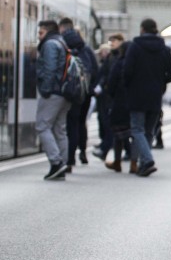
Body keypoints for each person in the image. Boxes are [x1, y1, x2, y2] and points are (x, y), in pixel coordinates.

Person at [122, 18, 171, 177]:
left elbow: (127, 71)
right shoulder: (164, 49)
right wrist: (160, 81)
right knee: (148, 131)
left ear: (142, 29)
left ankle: (146, 160)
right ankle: (143, 164)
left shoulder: (135, 47)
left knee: (137, 129)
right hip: (155, 96)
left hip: (137, 95)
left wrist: (129, 85)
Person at [59, 17, 99, 171]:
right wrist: (90, 89)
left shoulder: (63, 44)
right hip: (84, 93)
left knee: (69, 124)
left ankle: (68, 159)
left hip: (69, 91)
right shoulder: (86, 48)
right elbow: (94, 70)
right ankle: (82, 152)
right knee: (80, 123)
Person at [35, 20, 72, 180]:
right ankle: (63, 165)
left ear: (47, 31)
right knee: (60, 130)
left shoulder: (50, 44)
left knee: (42, 126)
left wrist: (45, 89)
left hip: (54, 92)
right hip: (64, 92)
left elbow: (49, 69)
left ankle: (56, 163)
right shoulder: (62, 42)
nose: (38, 36)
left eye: (40, 33)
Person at [102, 40, 136, 173]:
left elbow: (111, 84)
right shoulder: (136, 65)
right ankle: (134, 162)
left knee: (118, 135)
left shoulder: (119, 63)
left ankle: (117, 162)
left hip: (119, 103)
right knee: (135, 134)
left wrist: (110, 96)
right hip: (134, 103)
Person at [92, 34, 124, 160]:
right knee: (115, 126)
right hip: (108, 95)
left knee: (117, 126)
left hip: (116, 96)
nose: (112, 44)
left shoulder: (119, 56)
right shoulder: (112, 57)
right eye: (110, 42)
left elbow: (112, 76)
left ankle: (107, 150)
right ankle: (118, 155)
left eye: (114, 42)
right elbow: (104, 74)